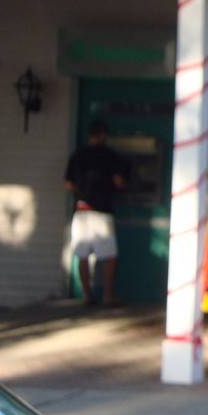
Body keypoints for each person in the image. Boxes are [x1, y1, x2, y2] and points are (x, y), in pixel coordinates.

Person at [64, 120, 127, 306]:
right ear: (103, 135)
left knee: (82, 254)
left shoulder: (77, 155)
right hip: (102, 211)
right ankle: (108, 295)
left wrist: (82, 190)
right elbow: (119, 181)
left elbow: (67, 184)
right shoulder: (110, 156)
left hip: (81, 210)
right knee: (109, 256)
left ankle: (87, 295)